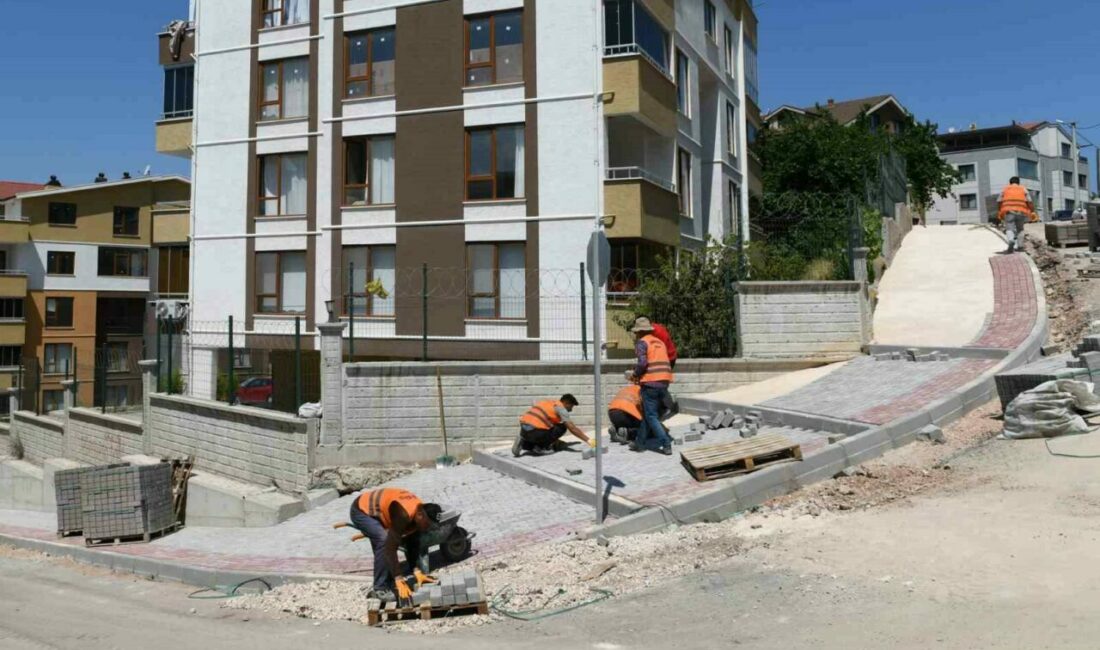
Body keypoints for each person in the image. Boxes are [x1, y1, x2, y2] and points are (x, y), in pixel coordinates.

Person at [349, 487, 442, 603]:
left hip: (380, 510)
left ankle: (387, 579)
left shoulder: (419, 513)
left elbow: (412, 542)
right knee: (383, 541)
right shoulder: (403, 514)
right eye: (428, 524)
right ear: (420, 515)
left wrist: (416, 570)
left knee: (391, 541)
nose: (428, 528)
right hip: (361, 510)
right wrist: (398, 578)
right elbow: (390, 547)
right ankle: (380, 589)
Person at [629, 317, 674, 455]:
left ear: (639, 332)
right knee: (649, 415)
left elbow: (642, 363)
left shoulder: (642, 343)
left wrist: (635, 374)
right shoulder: (659, 342)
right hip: (664, 381)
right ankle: (640, 443)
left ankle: (665, 443)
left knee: (651, 416)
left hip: (650, 383)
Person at [513, 394, 594, 457]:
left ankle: (523, 442)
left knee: (550, 427)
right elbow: (572, 428)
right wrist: (589, 440)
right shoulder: (561, 409)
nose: (571, 410)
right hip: (536, 432)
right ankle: (541, 448)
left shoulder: (547, 403)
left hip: (523, 429)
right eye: (571, 406)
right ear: (566, 403)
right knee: (562, 427)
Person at [608, 381, 676, 444]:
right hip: (627, 414)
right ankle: (628, 433)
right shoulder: (647, 393)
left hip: (612, 413)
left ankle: (616, 429)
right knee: (652, 430)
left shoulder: (632, 387)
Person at [997, 176, 1036, 254]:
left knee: (1009, 227)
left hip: (1009, 211)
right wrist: (1032, 211)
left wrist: (999, 211)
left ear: (1010, 183)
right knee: (1020, 229)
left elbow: (999, 201)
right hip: (1021, 212)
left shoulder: (1005, 189)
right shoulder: (1023, 189)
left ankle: (1011, 240)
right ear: (1018, 183)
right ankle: (1020, 247)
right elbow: (1029, 201)